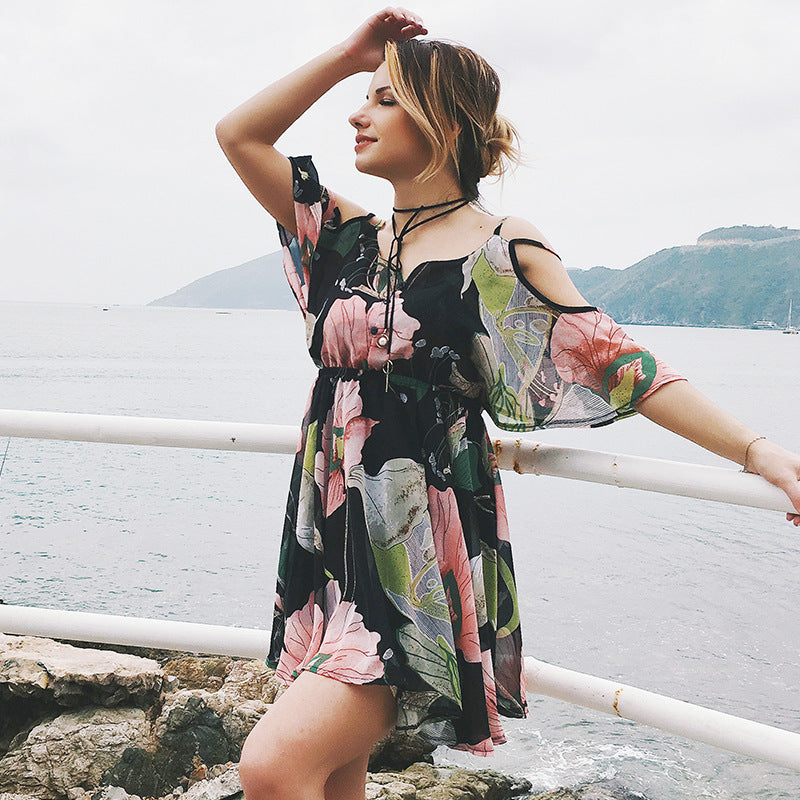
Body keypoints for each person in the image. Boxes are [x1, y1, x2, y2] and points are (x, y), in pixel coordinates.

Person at [216, 8, 800, 800]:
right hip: (334, 536)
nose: (358, 112)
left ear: (446, 120)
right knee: (330, 771)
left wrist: (755, 450)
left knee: (275, 766)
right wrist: (351, 56)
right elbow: (238, 134)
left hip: (417, 551)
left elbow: (621, 362)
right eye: (366, 95)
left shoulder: (497, 249)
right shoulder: (346, 238)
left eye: (385, 98)